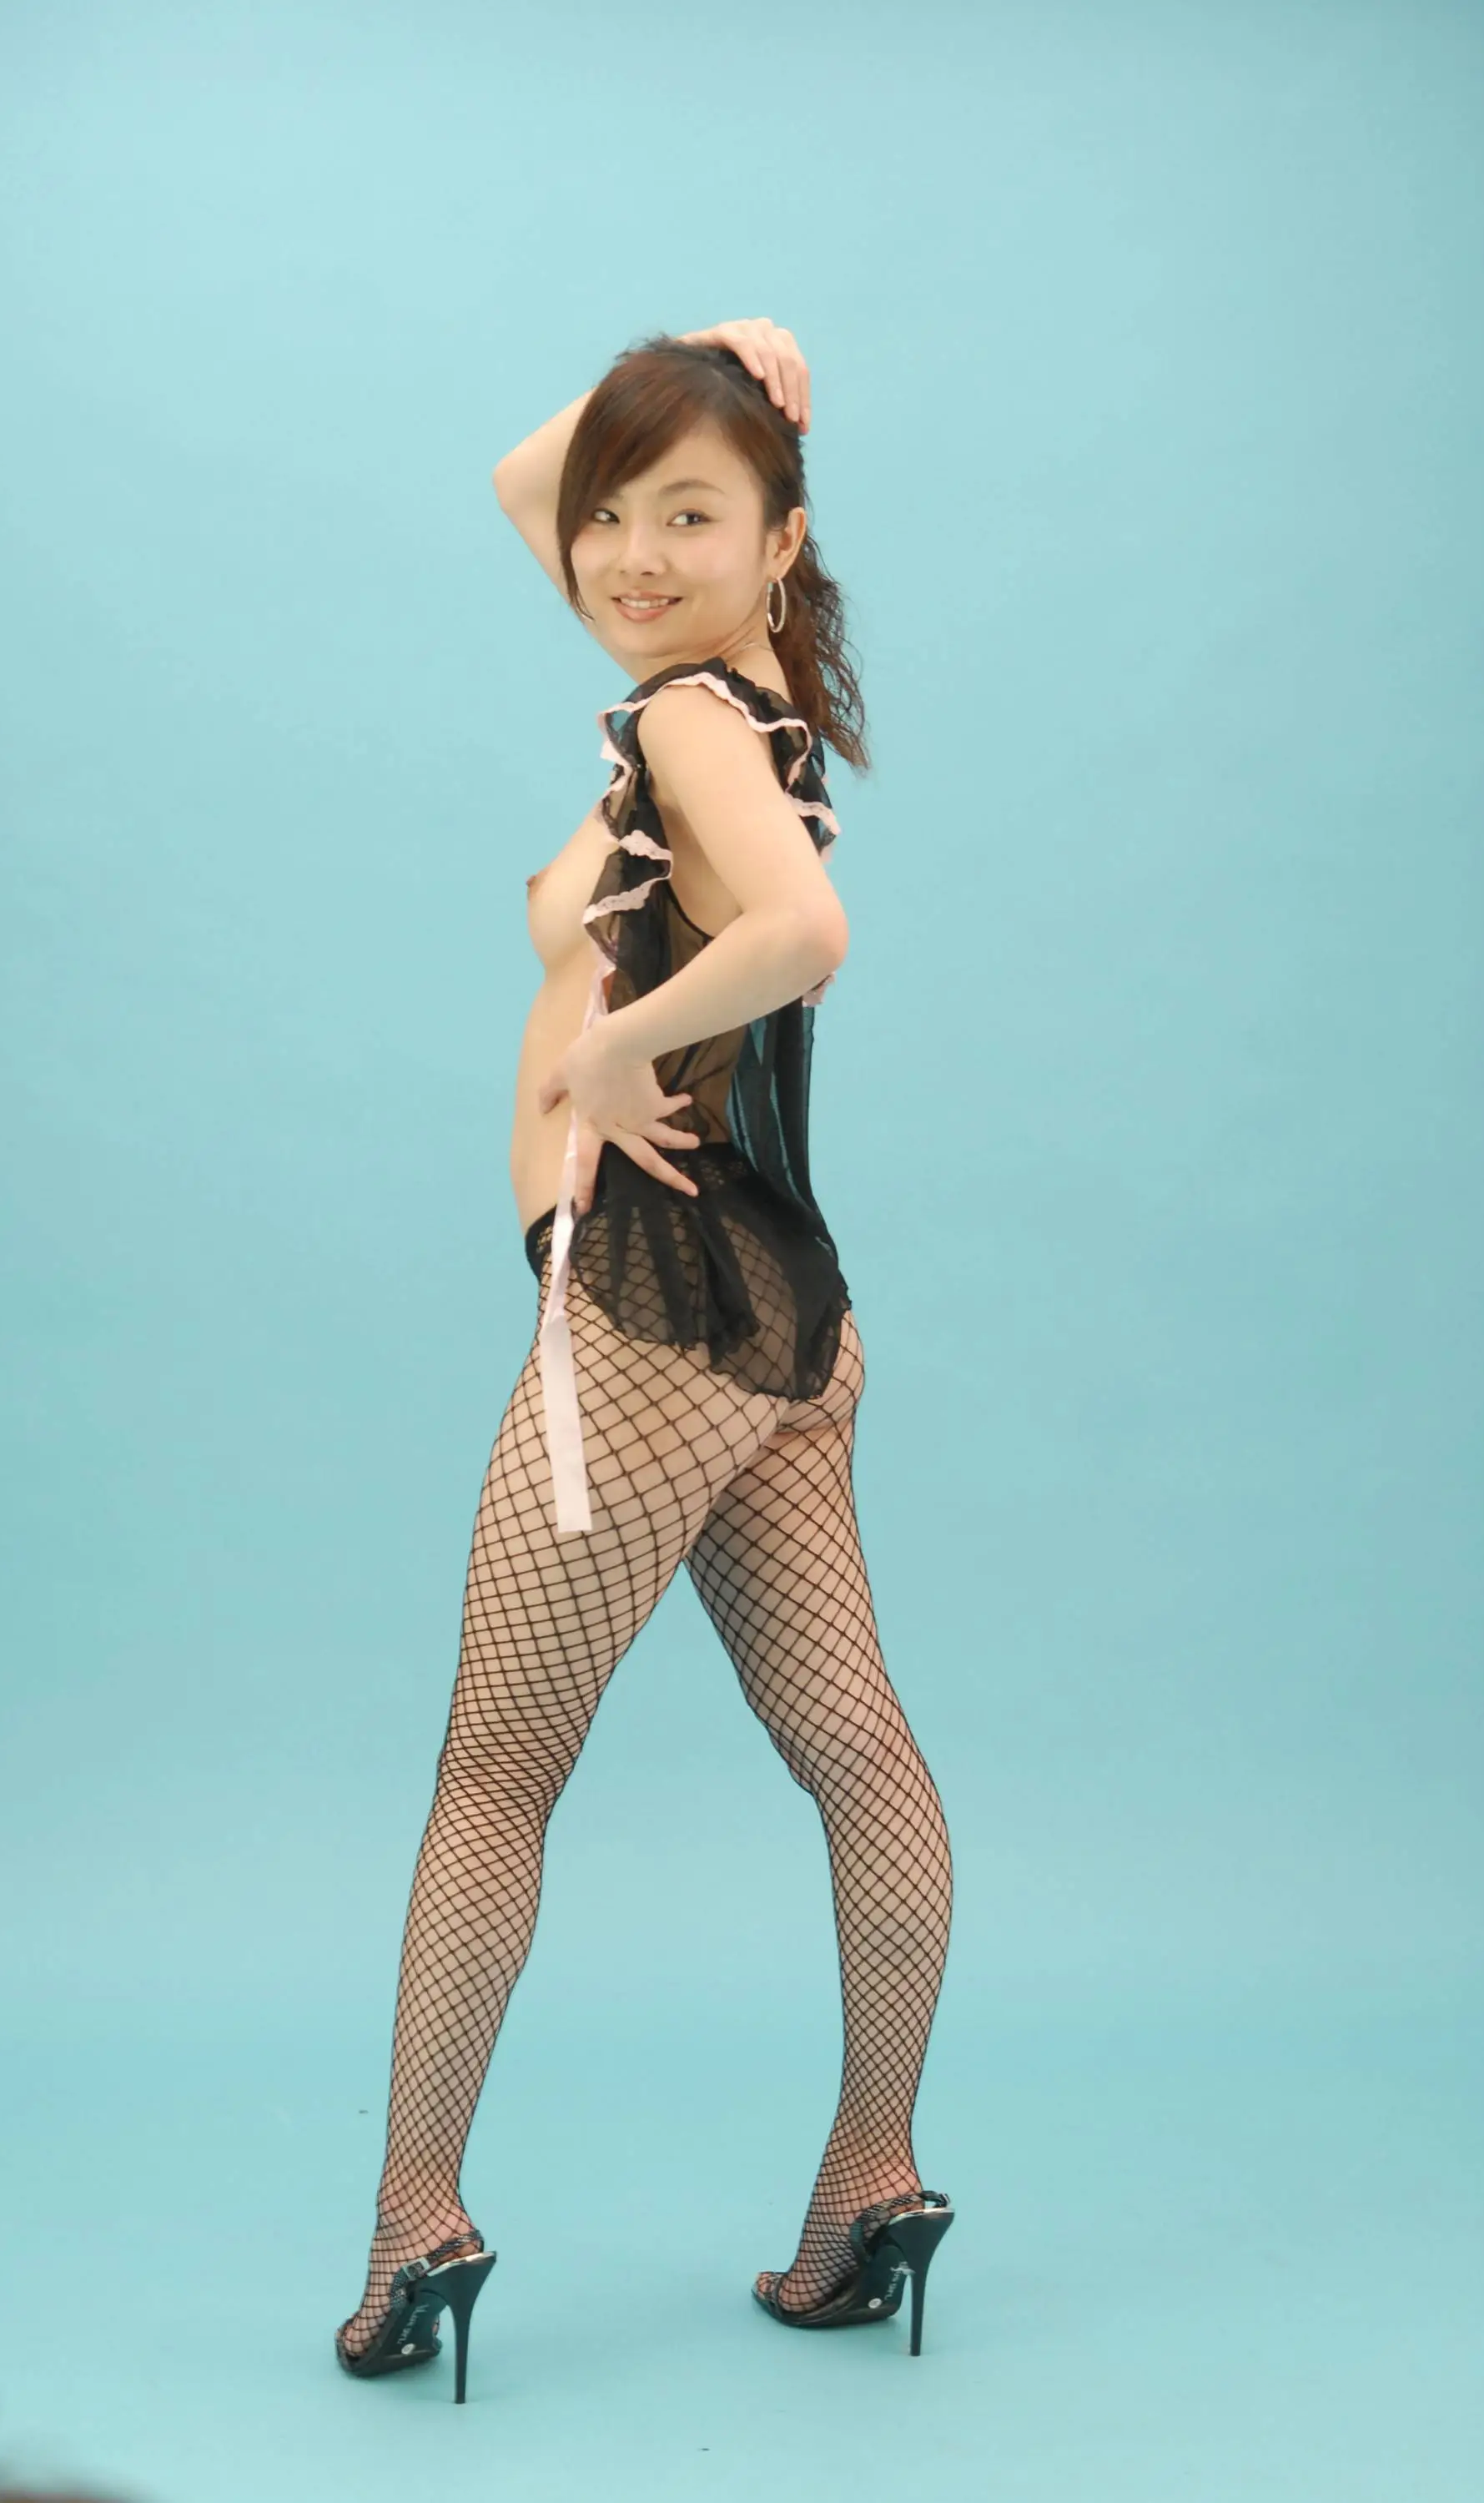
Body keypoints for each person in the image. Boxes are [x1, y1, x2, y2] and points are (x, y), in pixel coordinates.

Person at [334, 320, 954, 2400]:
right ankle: (871, 2180)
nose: (620, 550)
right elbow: (528, 481)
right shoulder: (733, 681)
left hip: (656, 1323)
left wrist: (611, 1055)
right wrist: (710, 360)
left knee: (491, 1779)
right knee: (855, 1752)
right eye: (618, 518)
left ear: (779, 540)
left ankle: (413, 2226)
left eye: (685, 515)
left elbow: (799, 937)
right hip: (787, 1321)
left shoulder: (692, 716)